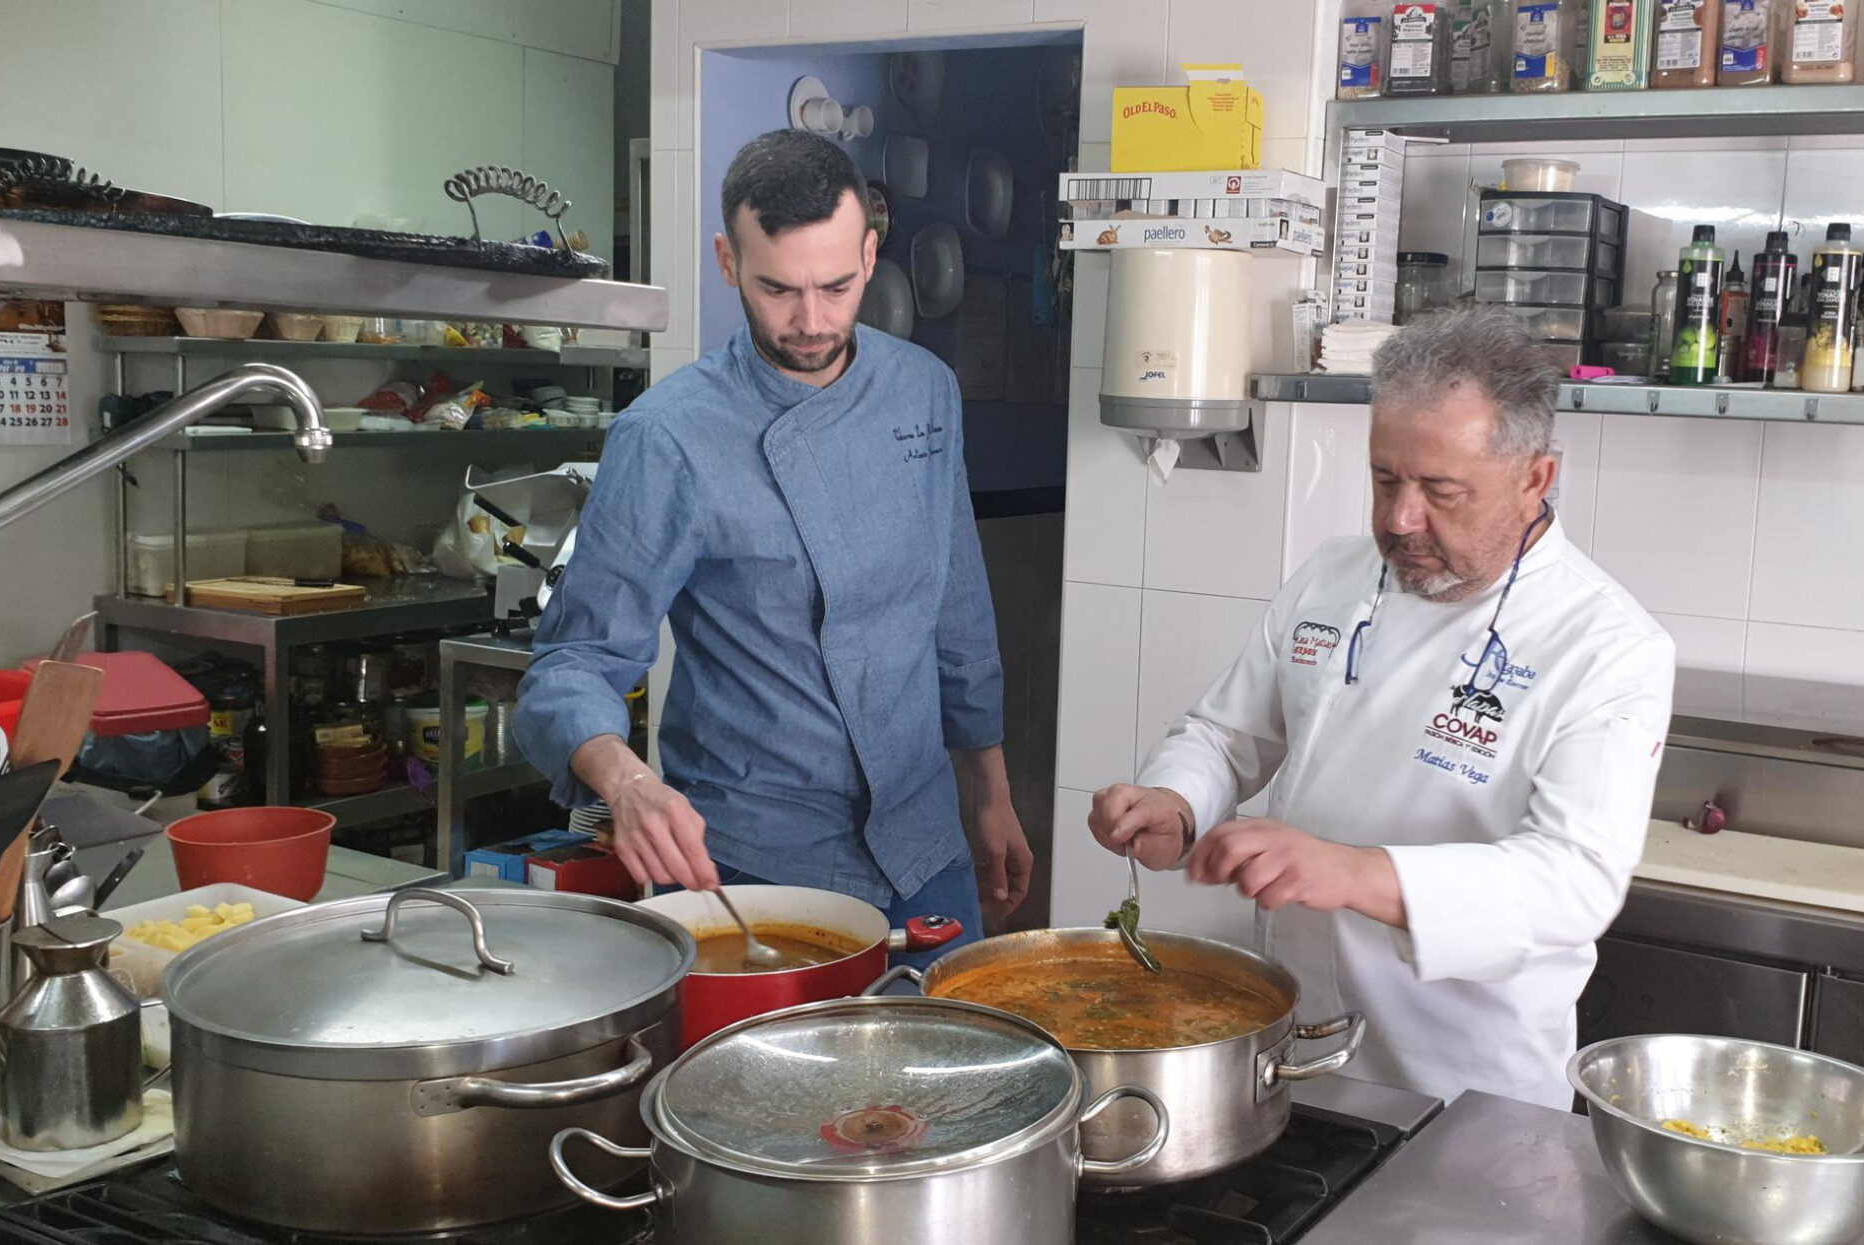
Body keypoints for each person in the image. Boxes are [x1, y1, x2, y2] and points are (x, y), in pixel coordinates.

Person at [1087, 309, 1675, 1105]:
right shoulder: (1334, 575)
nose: (1401, 518)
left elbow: (1573, 883)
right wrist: (1176, 801)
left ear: (1536, 477)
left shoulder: (1607, 646)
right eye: (1385, 477)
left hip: (1460, 1085)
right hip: (1287, 1047)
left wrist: (1353, 870)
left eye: (1441, 490)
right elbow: (1226, 735)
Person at [517, 129, 1031, 948]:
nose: (811, 320)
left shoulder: (924, 390)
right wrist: (626, 780)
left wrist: (990, 792)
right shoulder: (669, 436)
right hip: (757, 864)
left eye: (834, 285)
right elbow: (571, 662)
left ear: (869, 254)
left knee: (949, 1072)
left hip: (923, 844)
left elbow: (957, 605)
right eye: (778, 290)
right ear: (728, 261)